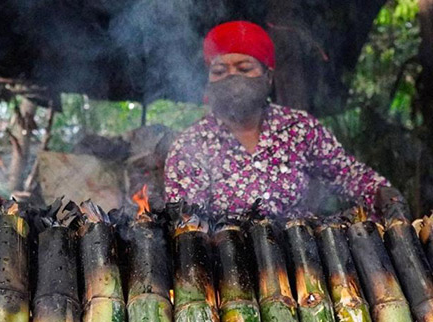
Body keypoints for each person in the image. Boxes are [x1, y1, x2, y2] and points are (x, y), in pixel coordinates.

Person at [164, 20, 408, 220]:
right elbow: (186, 222)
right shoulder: (191, 145)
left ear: (268, 77)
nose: (232, 78)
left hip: (303, 259)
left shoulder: (299, 128)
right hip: (227, 268)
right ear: (209, 80)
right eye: (220, 71)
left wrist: (381, 193)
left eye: (244, 68)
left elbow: (347, 174)